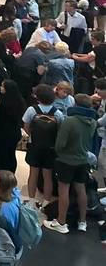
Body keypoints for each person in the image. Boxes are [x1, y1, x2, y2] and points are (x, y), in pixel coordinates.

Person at [43, 94, 98, 234]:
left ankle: (61, 222)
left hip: (66, 161)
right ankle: (82, 222)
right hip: (83, 160)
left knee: (64, 191)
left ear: (75, 105)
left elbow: (60, 145)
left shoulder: (70, 121)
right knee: (81, 190)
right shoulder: (93, 122)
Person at [0, 80, 26, 179]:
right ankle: (10, 176)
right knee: (11, 154)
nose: (0, 87)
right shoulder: (20, 101)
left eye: (3, 86)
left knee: (1, 155)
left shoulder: (2, 102)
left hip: (1, 132)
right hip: (14, 132)